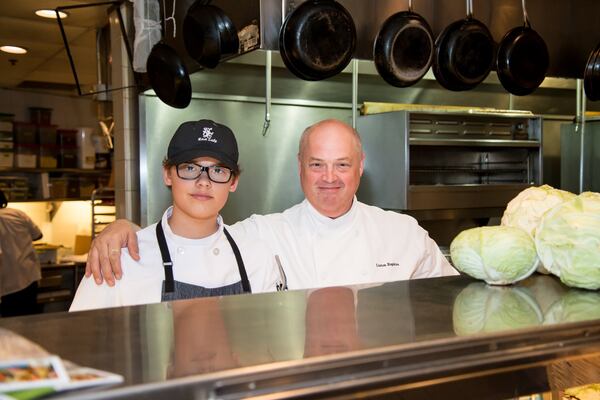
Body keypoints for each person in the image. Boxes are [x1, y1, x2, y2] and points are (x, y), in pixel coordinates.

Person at [85, 118, 457, 291]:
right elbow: (193, 237)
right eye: (316, 164)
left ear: (360, 168)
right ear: (300, 168)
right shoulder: (261, 234)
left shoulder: (403, 233)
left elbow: (454, 304)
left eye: (341, 164)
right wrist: (125, 230)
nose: (329, 177)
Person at [70, 120, 281, 311]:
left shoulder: (256, 257)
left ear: (233, 182)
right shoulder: (120, 261)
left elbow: (271, 345)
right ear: (167, 174)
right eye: (190, 167)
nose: (204, 182)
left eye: (218, 171)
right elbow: (80, 344)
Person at [0, 189, 43, 317]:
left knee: (11, 323)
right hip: (29, 275)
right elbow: (38, 235)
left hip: (8, 280)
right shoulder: (17, 214)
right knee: (29, 319)